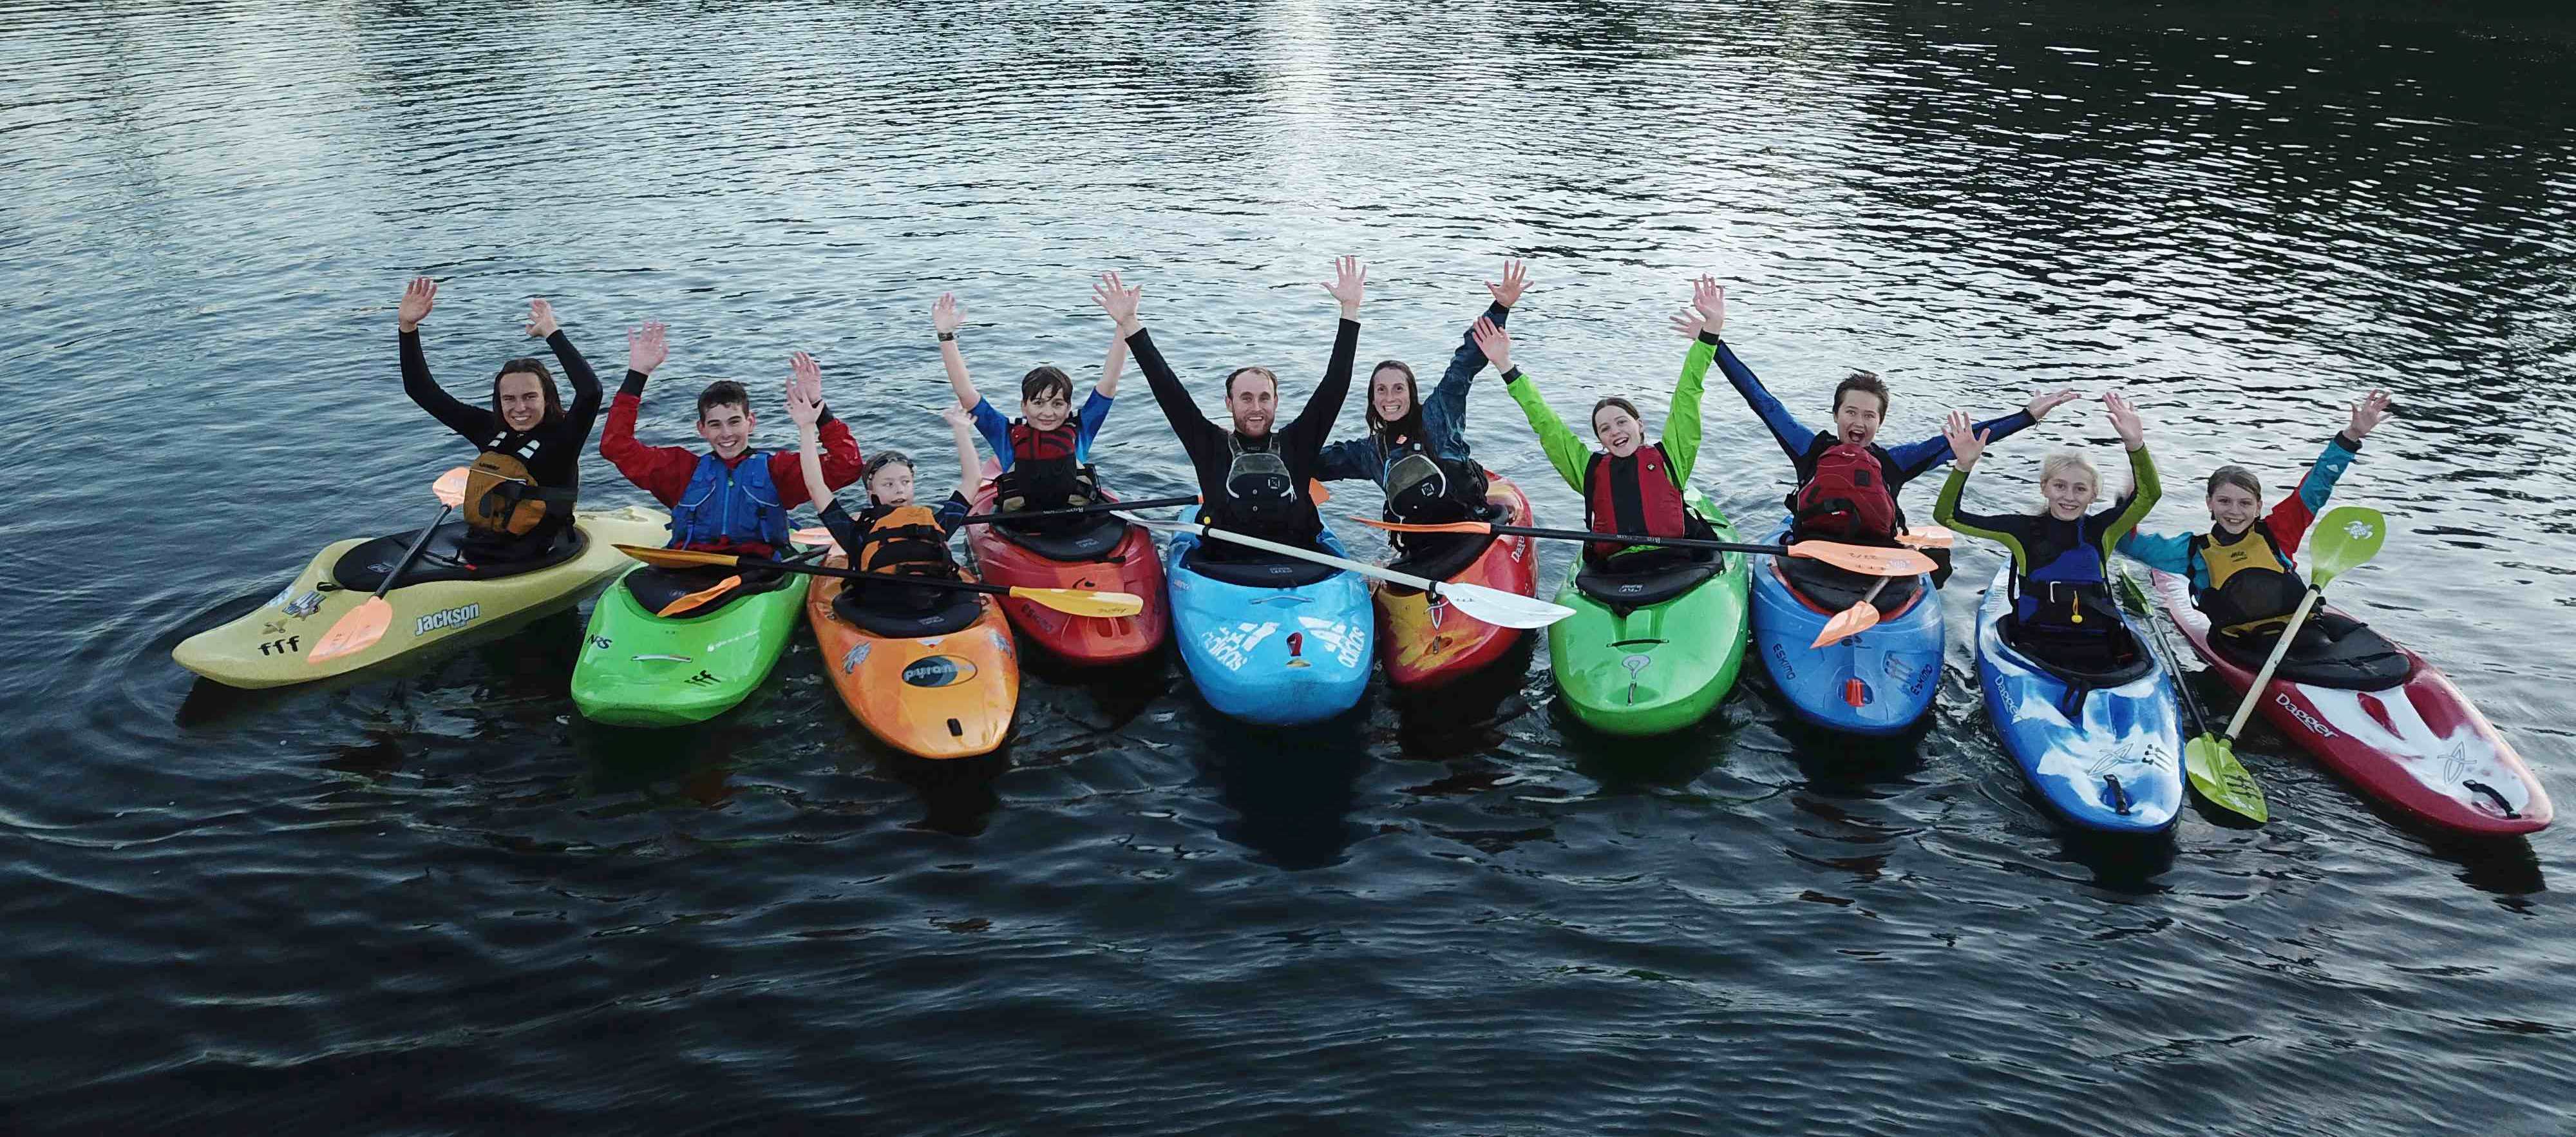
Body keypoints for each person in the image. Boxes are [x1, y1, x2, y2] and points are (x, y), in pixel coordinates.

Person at [1711, 291, 2081, 555]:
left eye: (1869, 415)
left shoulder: (1895, 463)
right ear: (1836, 415)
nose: (1859, 422)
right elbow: (1763, 402)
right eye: (1851, 412)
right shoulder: (1811, 449)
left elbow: (1966, 438)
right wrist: (1714, 341)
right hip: (1811, 556)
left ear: (1880, 422)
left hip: (1877, 559)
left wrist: (2026, 416)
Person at [1100, 256, 1367, 559]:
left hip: (1300, 562)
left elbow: (1335, 386)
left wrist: (1350, 311)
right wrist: (1130, 324)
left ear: (1276, 402)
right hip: (1225, 569)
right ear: (1229, 403)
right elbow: (1167, 389)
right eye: (1246, 398)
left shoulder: (1298, 443)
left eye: (1264, 398)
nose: (1256, 407)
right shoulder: (1209, 445)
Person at [1477, 274, 1723, 567]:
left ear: (1639, 425)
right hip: (1614, 571)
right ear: (1600, 440)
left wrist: (1710, 333)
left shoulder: (1673, 458)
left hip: (1679, 561)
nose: (1615, 431)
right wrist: (1506, 366)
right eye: (1605, 429)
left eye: (1622, 422)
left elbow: (1687, 395)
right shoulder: (1588, 470)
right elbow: (1546, 424)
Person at [2118, 391, 2392, 651]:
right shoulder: (2192, 552)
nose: (2234, 511)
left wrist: (2351, 436)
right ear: (2209, 503)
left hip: (2300, 634)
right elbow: (2129, 545)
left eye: (2245, 503)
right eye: (2224, 501)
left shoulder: (2278, 532)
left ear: (2259, 507)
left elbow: (2319, 483)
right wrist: (2128, 505)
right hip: (2243, 647)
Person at [1935, 393, 2161, 671]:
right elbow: (1947, 517)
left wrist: (2135, 445)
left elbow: (2149, 495)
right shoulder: (2020, 531)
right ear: (2045, 488)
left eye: (2080, 489)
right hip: (2035, 651)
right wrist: (1963, 466)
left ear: (2093, 495)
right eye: (2060, 486)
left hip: (2098, 647)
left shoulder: (2103, 530)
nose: (2069, 497)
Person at [1316, 260, 1528, 551]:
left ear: (1412, 393)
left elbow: (1464, 364)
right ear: (1373, 400)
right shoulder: (1370, 453)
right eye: (1382, 390)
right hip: (1422, 549)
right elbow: (1315, 461)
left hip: (1471, 532)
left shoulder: (1438, 415)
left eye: (1398, 388)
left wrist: (1500, 307)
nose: (1390, 398)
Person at [394, 277, 605, 564]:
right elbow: (422, 391)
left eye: (530, 397)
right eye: (510, 399)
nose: (520, 408)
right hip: (484, 542)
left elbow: (591, 391)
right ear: (500, 401)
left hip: (542, 550)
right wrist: (408, 328)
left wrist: (552, 333)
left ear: (547, 398)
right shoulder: (489, 429)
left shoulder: (564, 436)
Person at [599, 325, 862, 555]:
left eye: (734, 422)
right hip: (692, 565)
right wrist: (637, 375)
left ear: (751, 422)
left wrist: (818, 408)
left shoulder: (778, 472)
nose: (726, 434)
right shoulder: (679, 470)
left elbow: (847, 465)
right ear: (701, 429)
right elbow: (616, 446)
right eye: (715, 425)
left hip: (760, 569)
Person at [791, 352, 980, 608]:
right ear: (872, 494)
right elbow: (816, 486)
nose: (899, 490)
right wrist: (806, 428)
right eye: (888, 484)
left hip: (928, 606)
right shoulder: (856, 535)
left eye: (905, 482)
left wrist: (961, 431)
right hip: (881, 613)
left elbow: (972, 481)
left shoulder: (934, 526)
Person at [933, 288, 1128, 526]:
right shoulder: (1004, 435)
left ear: (1069, 408)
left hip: (1078, 525)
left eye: (1057, 404)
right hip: (1021, 528)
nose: (1048, 413)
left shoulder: (1082, 429)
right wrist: (945, 335)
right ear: (1023, 407)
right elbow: (966, 394)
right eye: (1038, 403)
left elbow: (1109, 384)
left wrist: (1123, 324)